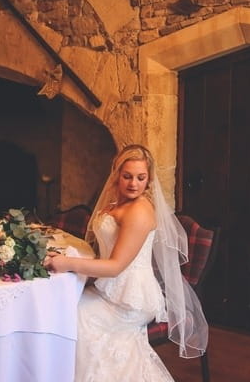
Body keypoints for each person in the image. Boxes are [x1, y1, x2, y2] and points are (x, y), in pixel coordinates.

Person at [44, 144, 208, 381]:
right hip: (108, 290)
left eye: (141, 178)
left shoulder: (140, 211)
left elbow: (116, 266)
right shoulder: (116, 204)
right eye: (127, 176)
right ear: (116, 175)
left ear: (149, 180)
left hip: (131, 299)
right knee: (61, 306)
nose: (133, 184)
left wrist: (68, 263)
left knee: (77, 320)